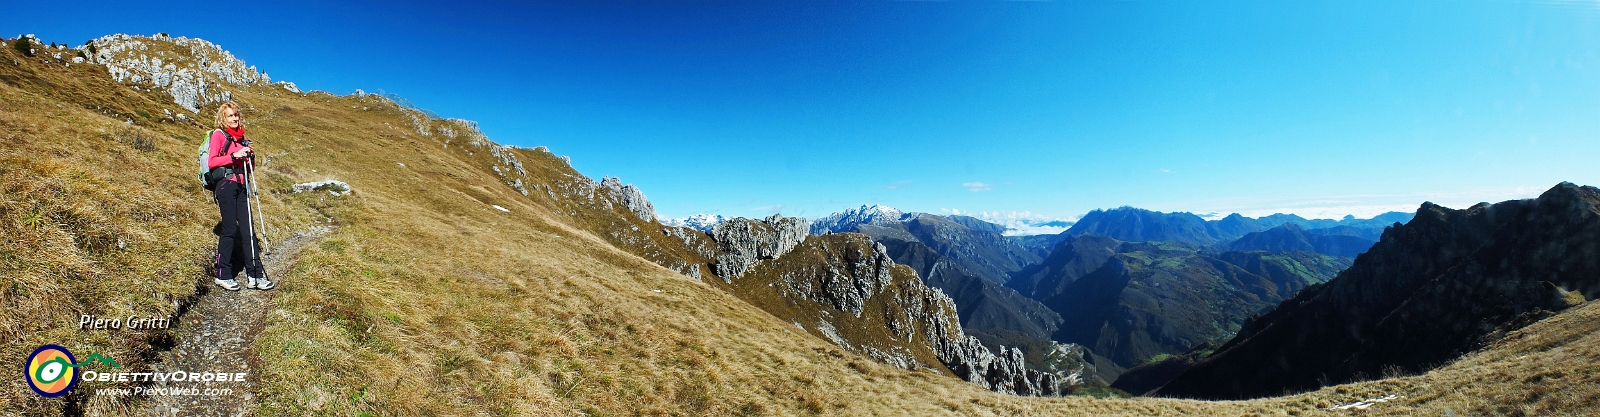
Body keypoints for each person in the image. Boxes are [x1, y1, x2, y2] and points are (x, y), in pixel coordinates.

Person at [207, 102, 273, 291]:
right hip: (226, 185)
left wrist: (250, 157)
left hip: (242, 186)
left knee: (248, 231)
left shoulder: (242, 139)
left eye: (236, 115)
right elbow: (212, 162)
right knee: (229, 229)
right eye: (230, 116)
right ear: (223, 118)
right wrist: (234, 156)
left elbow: (249, 169)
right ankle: (223, 274)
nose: (234, 118)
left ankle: (255, 275)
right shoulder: (219, 135)